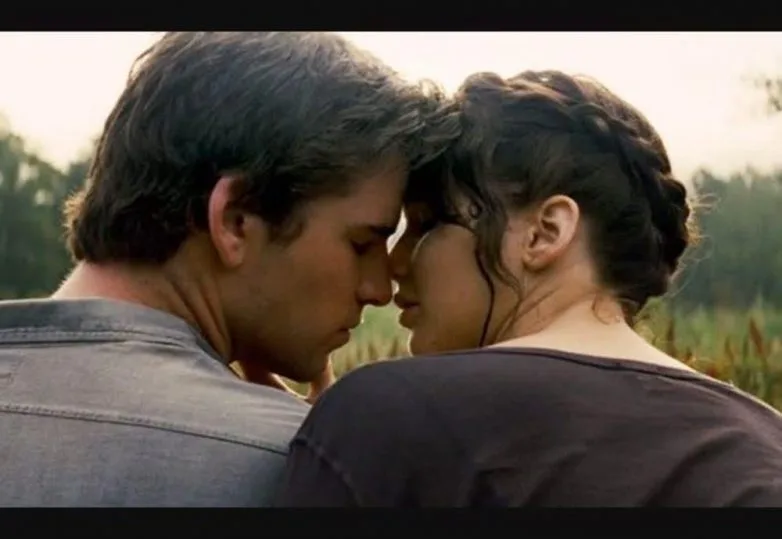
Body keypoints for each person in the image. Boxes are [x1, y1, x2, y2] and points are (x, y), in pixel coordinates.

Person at [276, 70, 782, 507]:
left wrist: (335, 444)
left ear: (545, 233)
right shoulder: (765, 444)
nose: (395, 266)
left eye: (427, 225)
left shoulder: (387, 417)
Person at [0, 32, 457, 506]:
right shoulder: (298, 470)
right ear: (235, 221)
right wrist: (336, 467)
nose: (380, 289)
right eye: (361, 244)